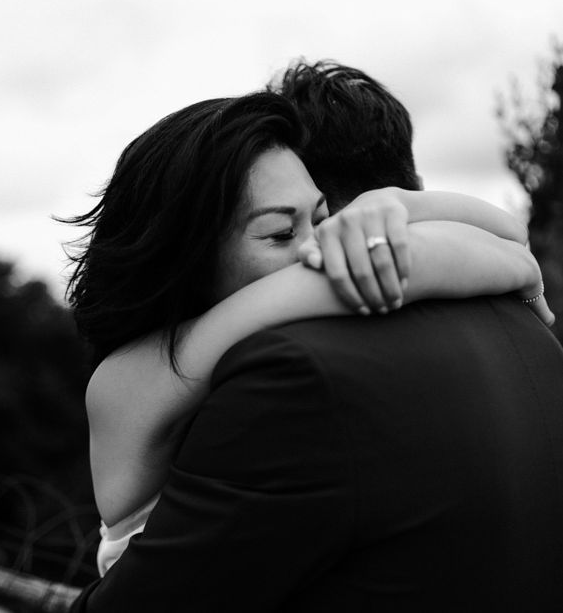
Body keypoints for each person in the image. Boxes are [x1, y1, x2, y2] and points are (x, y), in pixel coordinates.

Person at [61, 85, 553, 592]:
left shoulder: (261, 337)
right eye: (279, 233)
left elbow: (504, 234)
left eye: (320, 217)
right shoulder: (127, 381)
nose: (318, 246)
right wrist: (506, 260)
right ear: (189, 263)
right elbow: (490, 246)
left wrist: (392, 205)